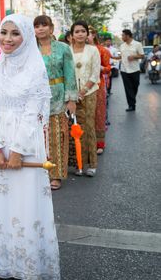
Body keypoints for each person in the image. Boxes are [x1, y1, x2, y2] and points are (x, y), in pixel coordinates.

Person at [0, 14, 60, 280]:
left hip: (26, 146)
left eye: (15, 34)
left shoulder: (36, 70)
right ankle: (0, 263)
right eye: (4, 32)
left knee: (26, 205)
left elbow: (34, 113)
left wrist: (17, 151)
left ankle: (30, 268)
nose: (7, 39)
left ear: (26, 38)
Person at [34, 15, 77, 190]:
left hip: (58, 95)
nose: (41, 29)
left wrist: (71, 99)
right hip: (36, 97)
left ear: (51, 28)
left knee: (58, 135)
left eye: (44, 25)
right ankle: (37, 173)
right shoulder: (29, 50)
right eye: (37, 26)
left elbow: (70, 74)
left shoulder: (63, 48)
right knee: (37, 137)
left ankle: (56, 174)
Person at [70, 21, 100, 177]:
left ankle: (92, 163)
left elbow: (95, 75)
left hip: (89, 93)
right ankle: (79, 163)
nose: (80, 34)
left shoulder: (93, 50)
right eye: (77, 31)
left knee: (88, 127)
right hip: (71, 96)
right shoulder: (67, 51)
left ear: (87, 34)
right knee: (75, 129)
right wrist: (72, 94)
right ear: (72, 35)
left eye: (83, 31)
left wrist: (83, 91)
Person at [88, 27, 111, 155]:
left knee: (98, 114)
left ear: (94, 34)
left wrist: (101, 67)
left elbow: (108, 68)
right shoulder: (78, 50)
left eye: (88, 33)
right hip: (82, 86)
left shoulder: (102, 50)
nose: (85, 35)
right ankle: (86, 142)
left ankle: (99, 143)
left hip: (97, 85)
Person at [118, 29, 144, 112]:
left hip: (135, 69)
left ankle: (132, 100)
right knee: (128, 88)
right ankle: (131, 105)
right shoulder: (122, 46)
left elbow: (142, 56)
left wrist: (134, 57)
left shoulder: (137, 44)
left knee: (135, 86)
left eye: (123, 35)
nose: (122, 37)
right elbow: (121, 57)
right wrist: (112, 57)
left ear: (128, 36)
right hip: (124, 70)